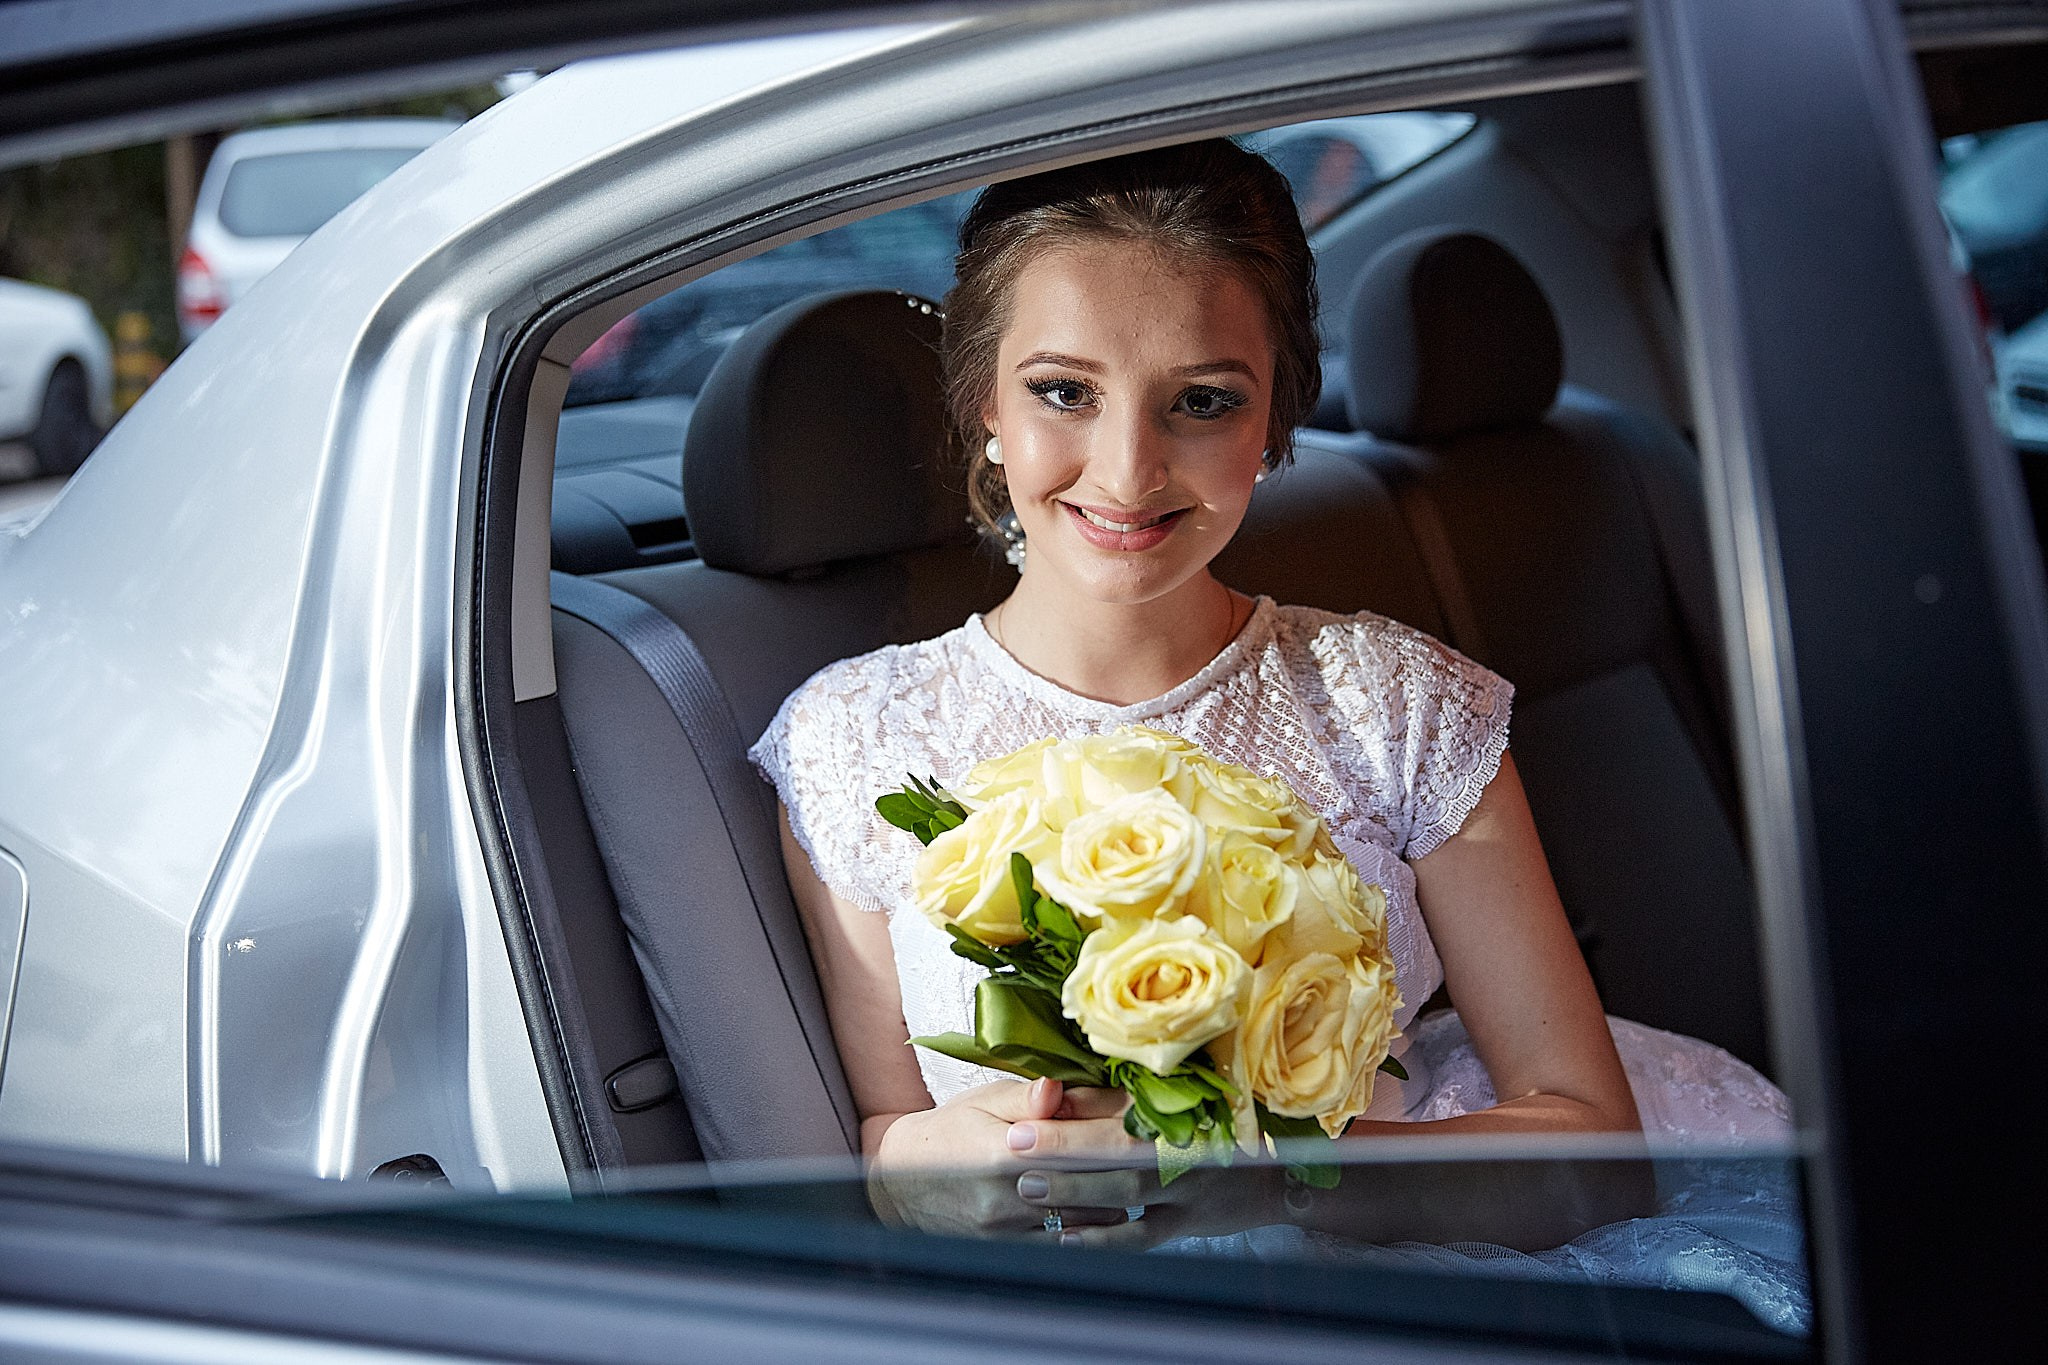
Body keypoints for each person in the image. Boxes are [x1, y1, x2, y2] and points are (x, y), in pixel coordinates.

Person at [749, 140, 1805, 1331]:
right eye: (1061, 391)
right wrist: (942, 1183)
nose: (1128, 468)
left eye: (1201, 401)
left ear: (1273, 420)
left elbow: (1589, 1145)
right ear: (982, 405)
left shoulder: (1396, 705)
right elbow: (887, 1129)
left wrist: (1273, 1177)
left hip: (1410, 1257)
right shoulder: (855, 743)